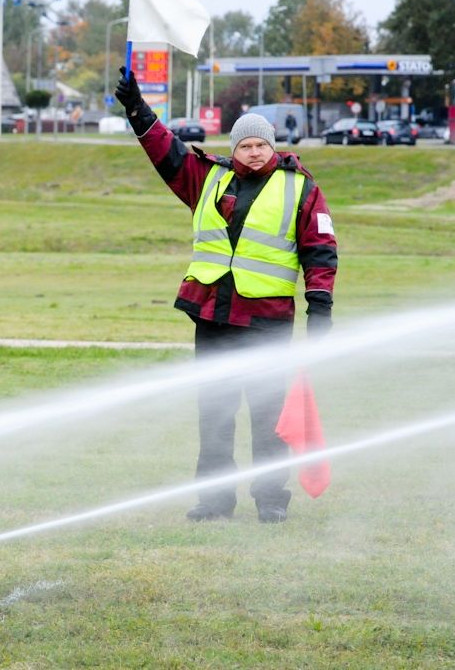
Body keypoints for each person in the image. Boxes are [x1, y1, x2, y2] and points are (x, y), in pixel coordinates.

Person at [115, 67, 338, 524]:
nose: (254, 153)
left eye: (261, 145)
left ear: (272, 147)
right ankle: (215, 502)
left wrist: (320, 309)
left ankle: (271, 500)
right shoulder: (206, 178)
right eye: (245, 145)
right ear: (233, 148)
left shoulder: (302, 188)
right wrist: (138, 110)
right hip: (213, 318)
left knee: (267, 417)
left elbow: (321, 251)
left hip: (268, 322)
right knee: (214, 416)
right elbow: (165, 152)